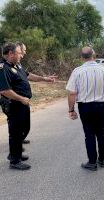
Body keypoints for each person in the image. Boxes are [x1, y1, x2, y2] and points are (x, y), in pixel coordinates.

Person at [0, 42, 56, 170]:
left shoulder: (17, 65)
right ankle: (15, 160)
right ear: (10, 53)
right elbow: (4, 91)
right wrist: (21, 99)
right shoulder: (3, 69)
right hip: (14, 104)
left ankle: (16, 153)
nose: (21, 55)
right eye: (19, 53)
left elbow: (29, 75)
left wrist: (45, 78)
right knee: (15, 132)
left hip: (23, 103)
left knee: (24, 129)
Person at [66, 46, 104, 171]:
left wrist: (71, 110)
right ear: (94, 55)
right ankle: (102, 160)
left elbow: (72, 93)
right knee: (101, 132)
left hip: (86, 107)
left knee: (89, 134)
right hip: (101, 106)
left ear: (82, 57)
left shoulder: (77, 71)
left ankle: (92, 162)